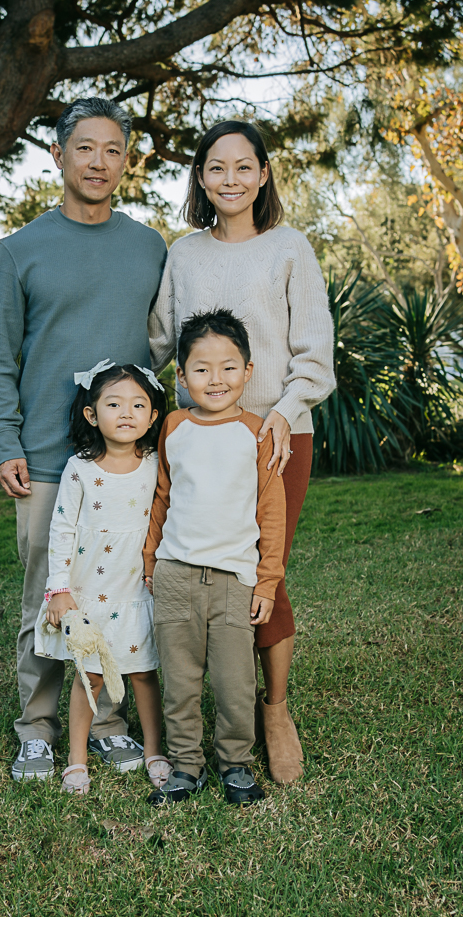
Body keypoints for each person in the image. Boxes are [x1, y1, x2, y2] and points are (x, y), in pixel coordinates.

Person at [0, 97, 167, 781]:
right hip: (47, 461)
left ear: (126, 161)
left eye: (113, 149)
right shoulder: (20, 250)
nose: (99, 161)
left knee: (116, 592)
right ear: (58, 157)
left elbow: (159, 345)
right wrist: (6, 441)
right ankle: (36, 725)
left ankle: (110, 719)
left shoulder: (148, 246)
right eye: (84, 148)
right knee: (50, 597)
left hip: (122, 463)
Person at [149, 121, 335, 785]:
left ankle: (275, 710)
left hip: (278, 434)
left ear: (263, 174)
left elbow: (315, 349)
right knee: (208, 561)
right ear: (201, 178)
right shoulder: (184, 254)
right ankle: (206, 709)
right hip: (201, 437)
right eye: (216, 168)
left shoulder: (289, 248)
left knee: (264, 568)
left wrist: (282, 413)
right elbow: (162, 343)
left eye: (243, 167)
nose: (230, 179)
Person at [144, 309, 286, 806]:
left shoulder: (258, 433)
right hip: (176, 574)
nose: (216, 379)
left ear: (249, 371)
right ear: (181, 376)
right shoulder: (174, 427)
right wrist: (150, 563)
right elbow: (162, 497)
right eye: (201, 369)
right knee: (179, 681)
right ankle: (186, 766)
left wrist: (266, 583)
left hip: (234, 581)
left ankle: (236, 765)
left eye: (229, 367)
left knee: (234, 683)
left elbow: (271, 513)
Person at [35, 362, 172, 794]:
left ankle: (154, 751)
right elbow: (61, 529)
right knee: (88, 675)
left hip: (136, 589)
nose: (126, 412)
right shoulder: (80, 469)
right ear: (92, 415)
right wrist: (59, 590)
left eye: (138, 404)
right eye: (114, 404)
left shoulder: (154, 464)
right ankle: (77, 762)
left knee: (145, 672)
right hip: (90, 593)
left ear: (153, 416)